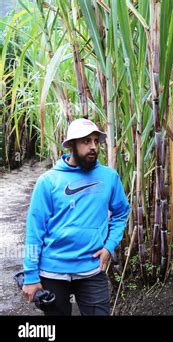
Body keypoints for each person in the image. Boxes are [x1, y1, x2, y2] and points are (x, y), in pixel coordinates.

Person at [21, 118, 130, 315]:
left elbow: (121, 212)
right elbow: (34, 230)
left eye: (96, 141)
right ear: (71, 145)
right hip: (52, 271)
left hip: (91, 268)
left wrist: (109, 246)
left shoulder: (109, 177)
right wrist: (30, 276)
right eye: (86, 141)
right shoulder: (48, 181)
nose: (93, 147)